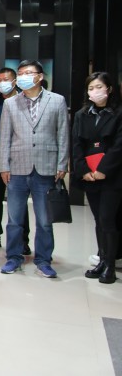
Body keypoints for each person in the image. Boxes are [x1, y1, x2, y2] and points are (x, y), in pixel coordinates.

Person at [0, 59, 69, 278]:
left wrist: (62, 164)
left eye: (28, 73)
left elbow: (62, 135)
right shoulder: (11, 103)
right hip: (17, 168)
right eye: (20, 73)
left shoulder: (57, 101)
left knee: (45, 221)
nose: (23, 77)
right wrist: (4, 166)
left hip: (46, 167)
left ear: (39, 76)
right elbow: (5, 138)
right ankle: (13, 257)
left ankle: (44, 260)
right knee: (14, 219)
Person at [72, 72, 122, 284]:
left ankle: (110, 264)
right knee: (98, 220)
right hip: (90, 176)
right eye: (91, 88)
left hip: (112, 176)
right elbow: (77, 144)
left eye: (99, 87)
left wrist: (103, 169)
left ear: (109, 89)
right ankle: (102, 259)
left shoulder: (118, 114)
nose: (95, 91)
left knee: (108, 219)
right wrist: (84, 170)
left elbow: (119, 146)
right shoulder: (81, 115)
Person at [0, 68, 31, 253]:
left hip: (17, 160)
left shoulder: (23, 101)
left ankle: (23, 240)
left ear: (15, 81)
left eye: (6, 79)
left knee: (18, 202)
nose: (2, 83)